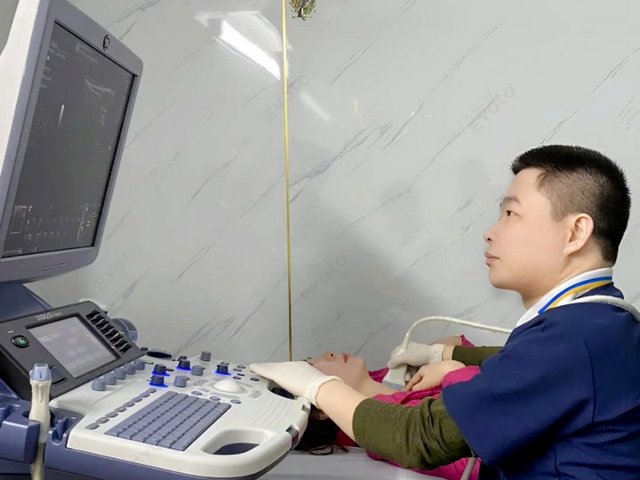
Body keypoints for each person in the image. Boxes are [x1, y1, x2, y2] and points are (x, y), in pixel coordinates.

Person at [251, 145, 640, 479]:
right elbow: (517, 360)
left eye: (511, 214)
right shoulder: (602, 324)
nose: (491, 232)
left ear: (575, 233)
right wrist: (446, 354)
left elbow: (418, 438)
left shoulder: (573, 339)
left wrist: (315, 385)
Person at [297, 349, 479, 480]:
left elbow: (492, 366)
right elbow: (477, 460)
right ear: (322, 410)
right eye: (312, 366)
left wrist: (443, 349)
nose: (329, 354)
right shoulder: (385, 433)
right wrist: (453, 371)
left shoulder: (392, 378)